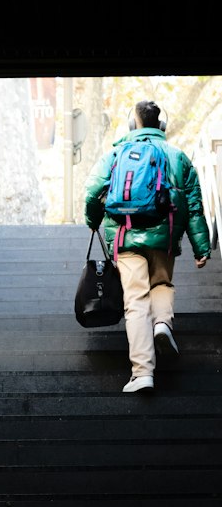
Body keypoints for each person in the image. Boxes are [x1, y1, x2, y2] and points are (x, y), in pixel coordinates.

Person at [84, 100, 211, 394]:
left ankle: (142, 373)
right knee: (162, 283)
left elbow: (92, 192)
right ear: (161, 125)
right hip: (164, 237)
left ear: (133, 125)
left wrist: (93, 221)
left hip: (125, 237)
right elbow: (194, 207)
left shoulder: (115, 154)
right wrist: (201, 248)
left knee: (136, 301)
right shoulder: (178, 157)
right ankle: (163, 324)